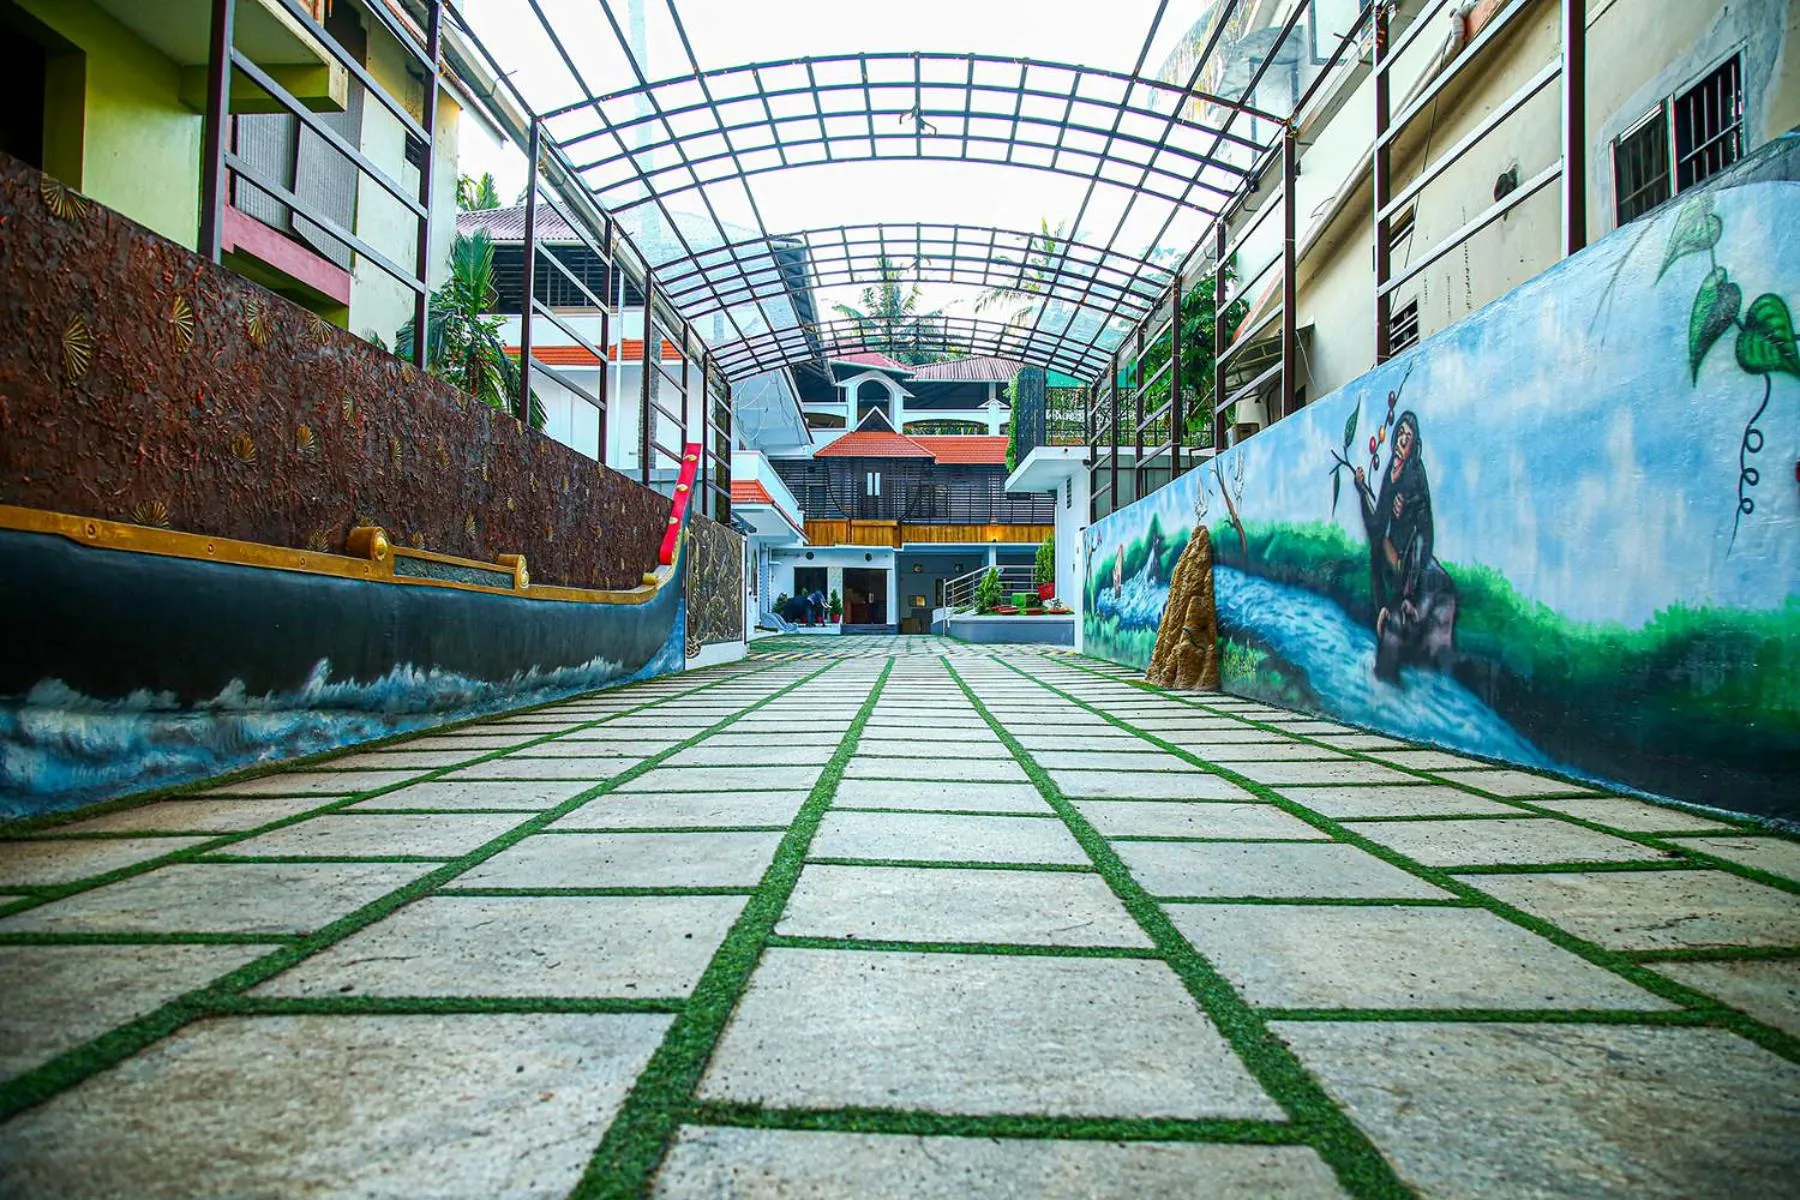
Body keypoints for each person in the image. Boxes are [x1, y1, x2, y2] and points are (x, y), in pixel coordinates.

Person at [1354, 410, 1453, 679]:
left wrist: (1410, 503)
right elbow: (1376, 527)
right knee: (1378, 545)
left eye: (1408, 437)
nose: (1402, 440)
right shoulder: (1391, 471)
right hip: (1399, 562)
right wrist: (1362, 491)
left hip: (1417, 564)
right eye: (1400, 433)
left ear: (1414, 444)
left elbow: (1426, 530)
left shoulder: (1416, 472)